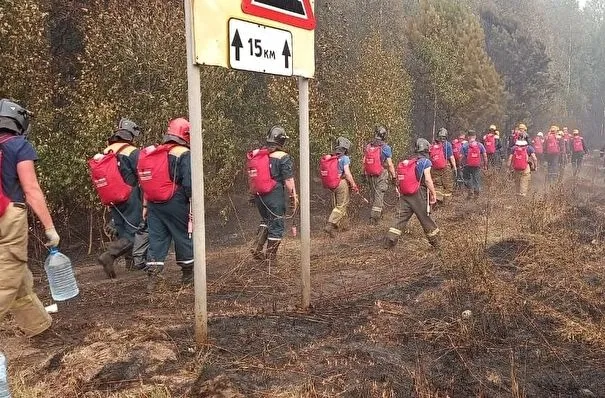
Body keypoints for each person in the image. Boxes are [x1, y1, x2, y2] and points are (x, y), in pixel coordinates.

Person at [0, 99, 60, 337]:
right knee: (7, 278)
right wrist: (50, 228)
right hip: (8, 216)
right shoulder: (18, 145)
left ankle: (39, 328)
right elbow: (32, 191)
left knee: (19, 277)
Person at [138, 118, 193, 290]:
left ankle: (153, 281)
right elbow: (189, 182)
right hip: (175, 202)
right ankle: (188, 276)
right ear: (185, 134)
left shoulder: (157, 152)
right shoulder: (183, 153)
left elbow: (147, 182)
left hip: (154, 203)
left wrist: (146, 205)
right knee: (183, 235)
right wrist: (193, 203)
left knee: (157, 239)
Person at [95, 119, 144, 278]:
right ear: (131, 135)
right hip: (130, 196)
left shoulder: (106, 150)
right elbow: (142, 173)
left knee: (122, 230)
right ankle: (109, 255)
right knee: (134, 232)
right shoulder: (131, 151)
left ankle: (132, 264)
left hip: (112, 198)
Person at [248, 126, 298, 268]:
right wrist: (293, 196)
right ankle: (271, 259)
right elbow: (288, 180)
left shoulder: (261, 154)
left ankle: (257, 247)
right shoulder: (282, 156)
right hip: (274, 195)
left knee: (266, 220)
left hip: (259, 195)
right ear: (281, 140)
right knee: (277, 225)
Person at [384, 138, 439, 249]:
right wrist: (433, 194)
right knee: (425, 218)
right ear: (427, 149)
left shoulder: (409, 162)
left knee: (399, 218)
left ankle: (390, 240)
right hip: (418, 195)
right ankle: (437, 243)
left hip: (405, 196)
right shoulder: (425, 162)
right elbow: (427, 180)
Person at [323, 137, 358, 237]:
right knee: (341, 206)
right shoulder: (345, 158)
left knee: (337, 206)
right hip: (341, 183)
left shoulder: (332, 157)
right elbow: (347, 173)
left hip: (332, 184)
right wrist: (353, 184)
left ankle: (344, 227)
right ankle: (330, 225)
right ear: (346, 148)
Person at [363, 126, 396, 224]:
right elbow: (390, 164)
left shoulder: (369, 146)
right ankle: (373, 219)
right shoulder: (385, 147)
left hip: (370, 174)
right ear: (384, 136)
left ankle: (380, 215)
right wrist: (394, 176)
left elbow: (364, 161)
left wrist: (363, 174)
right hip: (381, 174)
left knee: (375, 195)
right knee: (379, 195)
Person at [429, 128, 456, 204]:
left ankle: (438, 202)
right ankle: (446, 204)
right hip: (445, 167)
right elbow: (451, 157)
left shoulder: (433, 144)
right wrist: (454, 167)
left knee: (437, 185)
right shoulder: (447, 144)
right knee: (448, 186)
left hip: (434, 168)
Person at [461, 130, 488, 198]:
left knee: (467, 178)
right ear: (475, 136)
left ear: (468, 137)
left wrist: (460, 164)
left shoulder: (465, 145)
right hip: (477, 165)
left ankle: (470, 190)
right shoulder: (480, 145)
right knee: (476, 179)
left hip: (467, 165)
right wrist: (485, 165)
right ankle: (477, 193)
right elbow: (485, 156)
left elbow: (461, 156)